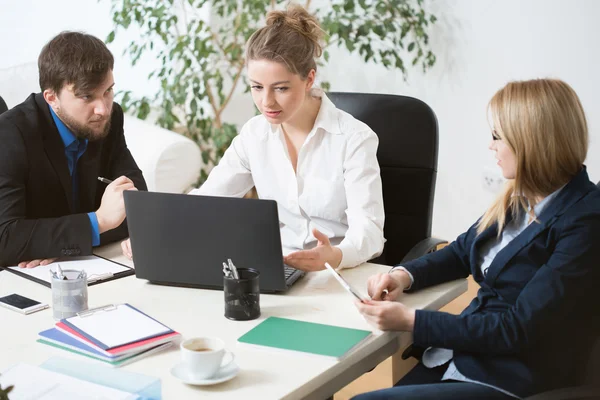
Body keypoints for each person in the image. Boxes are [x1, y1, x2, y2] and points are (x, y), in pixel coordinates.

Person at [353, 79, 600, 399]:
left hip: (511, 376)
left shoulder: (584, 222)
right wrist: (404, 275)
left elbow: (518, 329)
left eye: (498, 136)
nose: (491, 146)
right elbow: (460, 252)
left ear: (531, 142)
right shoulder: (522, 196)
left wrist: (412, 320)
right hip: (466, 354)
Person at [122, 4, 384, 271]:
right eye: (256, 87)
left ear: (309, 79)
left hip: (342, 271)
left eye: (281, 88)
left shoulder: (353, 139)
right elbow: (209, 199)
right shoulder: (254, 134)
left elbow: (370, 232)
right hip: (280, 267)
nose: (266, 101)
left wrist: (335, 256)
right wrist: (155, 230)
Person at [0, 31, 146, 268]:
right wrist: (97, 222)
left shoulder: (109, 118)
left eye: (108, 91)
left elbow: (139, 206)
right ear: (51, 98)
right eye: (87, 96)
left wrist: (57, 240)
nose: (103, 109)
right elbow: (5, 240)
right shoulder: (9, 134)